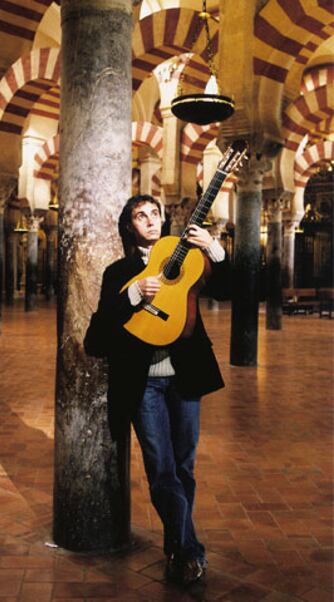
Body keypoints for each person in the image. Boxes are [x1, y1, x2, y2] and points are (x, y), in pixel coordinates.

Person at [84, 194, 230, 588]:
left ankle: (175, 547)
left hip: (185, 378)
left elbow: (232, 291)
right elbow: (94, 339)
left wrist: (215, 248)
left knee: (185, 467)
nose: (149, 220)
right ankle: (190, 551)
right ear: (129, 225)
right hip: (143, 384)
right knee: (162, 469)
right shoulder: (120, 273)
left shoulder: (190, 260)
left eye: (154, 213)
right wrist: (131, 297)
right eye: (139, 215)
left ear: (164, 219)